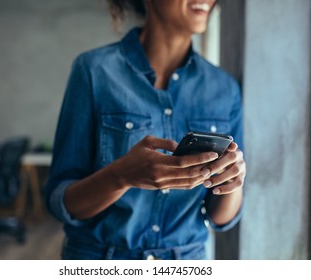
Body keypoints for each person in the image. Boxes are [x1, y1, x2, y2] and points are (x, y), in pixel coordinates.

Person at [45, 0, 246, 260]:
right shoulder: (93, 71)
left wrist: (233, 180)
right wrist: (120, 176)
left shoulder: (225, 88)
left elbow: (222, 218)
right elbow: (62, 202)